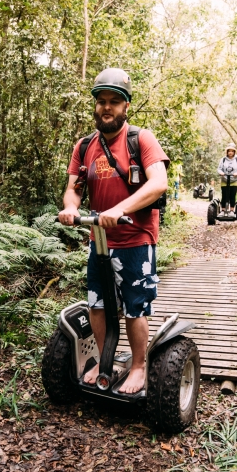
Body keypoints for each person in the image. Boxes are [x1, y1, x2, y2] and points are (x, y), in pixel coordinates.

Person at [58, 68, 169, 394]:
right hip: (100, 240)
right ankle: (106, 361)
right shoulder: (84, 146)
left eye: (115, 102)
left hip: (136, 238)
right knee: (97, 305)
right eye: (102, 101)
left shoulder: (140, 139)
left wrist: (120, 209)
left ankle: (138, 366)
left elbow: (158, 183)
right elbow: (74, 188)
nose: (107, 107)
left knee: (135, 307)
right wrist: (72, 208)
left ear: (125, 107)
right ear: (95, 106)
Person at [217, 142, 237, 215]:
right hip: (225, 179)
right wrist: (221, 172)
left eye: (232, 151)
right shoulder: (223, 160)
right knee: (224, 194)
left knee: (232, 194)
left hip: (235, 180)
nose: (230, 152)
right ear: (227, 151)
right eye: (229, 151)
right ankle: (223, 210)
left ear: (234, 152)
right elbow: (219, 169)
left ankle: (231, 210)